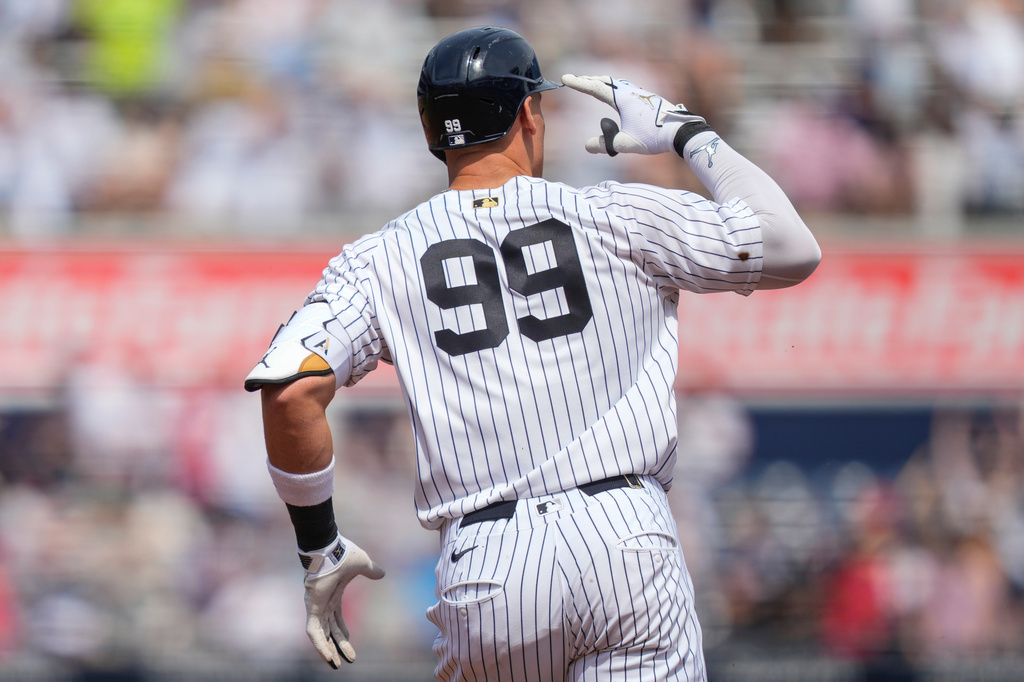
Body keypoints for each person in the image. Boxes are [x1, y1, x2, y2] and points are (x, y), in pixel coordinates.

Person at [245, 25, 820, 682]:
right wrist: (689, 134)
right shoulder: (613, 214)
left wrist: (319, 548)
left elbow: (290, 392)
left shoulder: (377, 258)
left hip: (488, 564)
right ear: (527, 114)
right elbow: (791, 246)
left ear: (432, 131)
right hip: (624, 536)